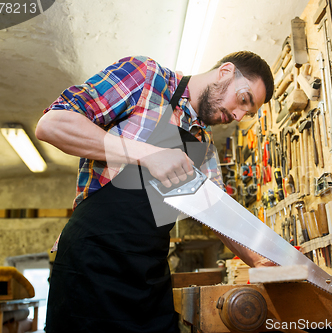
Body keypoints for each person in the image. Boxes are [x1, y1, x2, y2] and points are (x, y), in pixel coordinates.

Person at [36, 51, 275, 333]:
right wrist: (148, 155)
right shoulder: (148, 78)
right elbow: (53, 124)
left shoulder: (204, 145)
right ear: (225, 72)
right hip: (92, 262)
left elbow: (218, 216)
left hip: (147, 273)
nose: (237, 115)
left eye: (247, 113)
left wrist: (263, 262)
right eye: (243, 100)